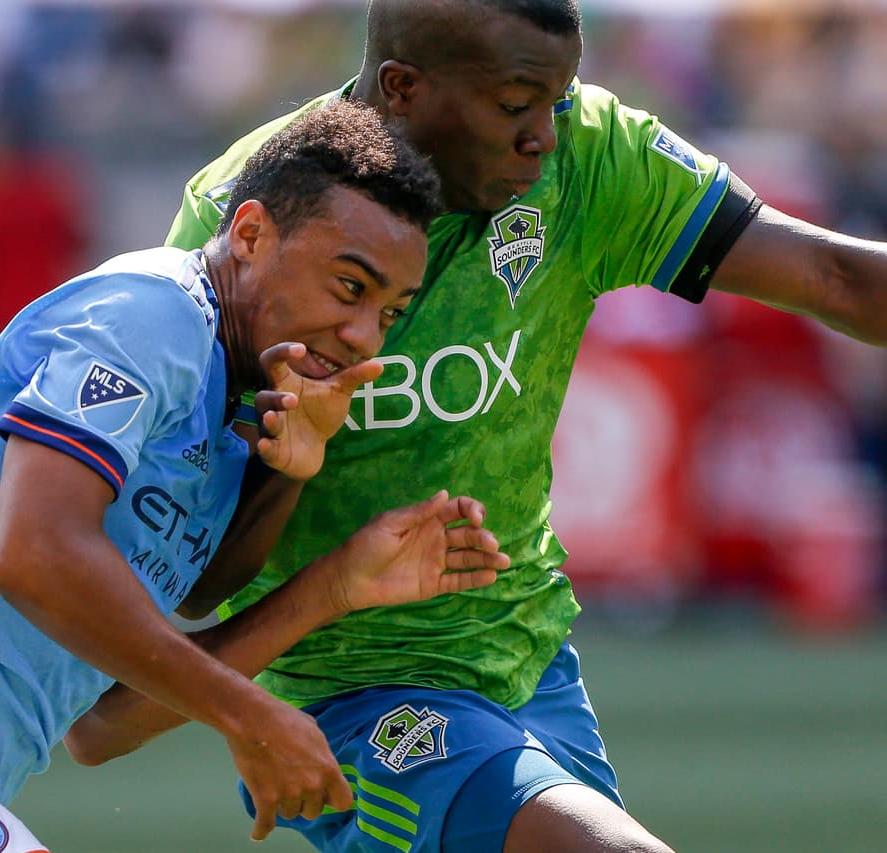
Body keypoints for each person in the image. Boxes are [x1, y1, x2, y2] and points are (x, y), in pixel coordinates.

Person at [65, 1, 887, 851]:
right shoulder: (252, 221)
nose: (545, 136)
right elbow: (186, 577)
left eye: (559, 103)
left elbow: (834, 275)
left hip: (528, 663)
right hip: (347, 697)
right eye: (515, 106)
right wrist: (246, 685)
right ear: (402, 88)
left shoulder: (592, 155)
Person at [0, 101, 517, 852]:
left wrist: (327, 566)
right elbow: (31, 549)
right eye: (350, 286)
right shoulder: (152, 314)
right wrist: (253, 714)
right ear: (251, 233)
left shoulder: (232, 411)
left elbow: (102, 725)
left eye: (389, 314)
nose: (362, 334)